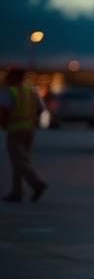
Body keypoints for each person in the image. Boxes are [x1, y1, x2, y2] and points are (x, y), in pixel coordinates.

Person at [1, 68, 47, 203]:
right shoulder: (31, 92)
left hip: (15, 131)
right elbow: (41, 109)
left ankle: (37, 183)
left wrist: (4, 124)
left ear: (14, 77)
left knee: (19, 162)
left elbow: (4, 111)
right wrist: (33, 121)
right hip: (29, 131)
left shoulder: (9, 92)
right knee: (22, 161)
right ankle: (17, 192)